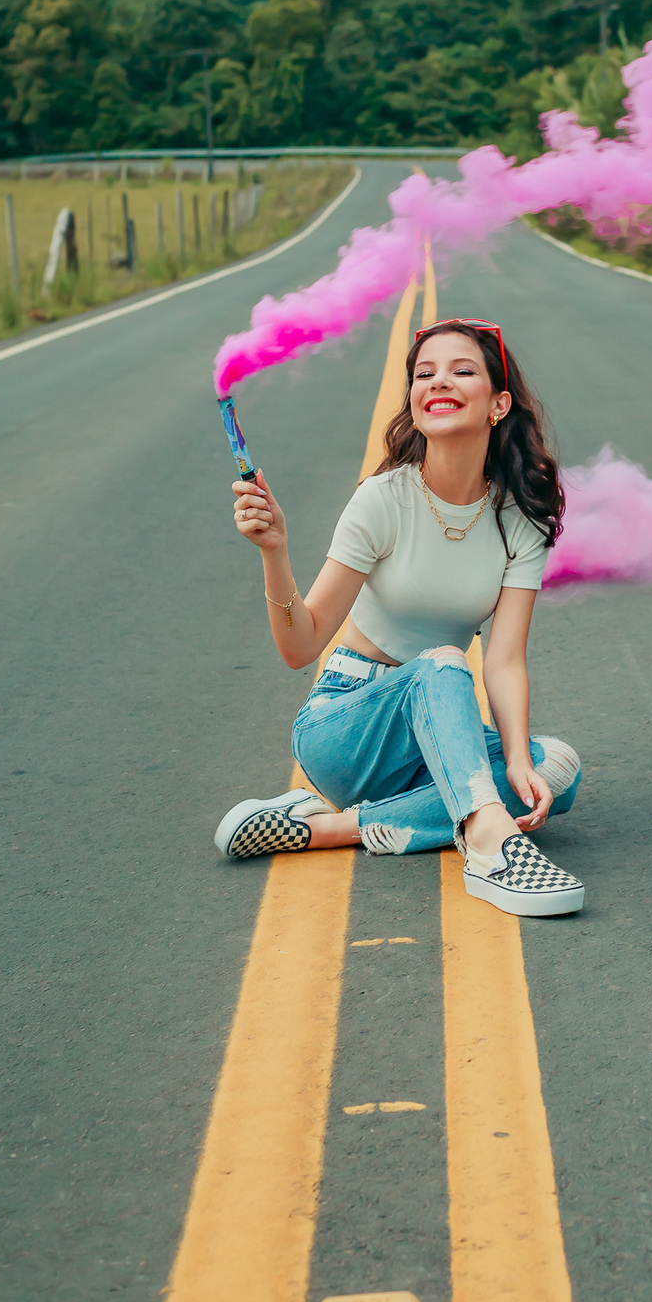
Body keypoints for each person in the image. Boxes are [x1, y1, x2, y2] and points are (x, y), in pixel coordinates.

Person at [213, 318, 585, 916]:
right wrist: (274, 551)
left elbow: (505, 658)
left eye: (462, 371)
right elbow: (299, 647)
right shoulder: (383, 500)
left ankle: (330, 829)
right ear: (414, 403)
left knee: (555, 768)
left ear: (499, 402)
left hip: (435, 739)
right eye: (424, 373)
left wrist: (517, 759)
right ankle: (490, 847)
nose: (439, 381)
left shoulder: (520, 515)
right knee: (440, 663)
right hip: (348, 725)